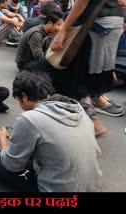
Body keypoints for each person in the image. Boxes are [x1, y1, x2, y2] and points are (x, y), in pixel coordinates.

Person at [0, 71, 102, 192]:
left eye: (18, 99)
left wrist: (2, 140)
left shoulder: (29, 119)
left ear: (24, 96)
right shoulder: (76, 107)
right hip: (90, 184)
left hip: (57, 189)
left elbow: (12, 165)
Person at [50, 0, 125, 136]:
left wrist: (63, 29)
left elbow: (82, 1)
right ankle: (95, 106)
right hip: (115, 22)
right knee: (97, 72)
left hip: (95, 23)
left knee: (76, 76)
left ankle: (93, 122)